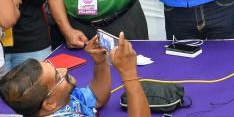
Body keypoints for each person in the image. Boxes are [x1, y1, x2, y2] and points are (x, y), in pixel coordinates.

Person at [0, 33, 151, 117]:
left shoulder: (58, 100)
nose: (64, 69)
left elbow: (96, 98)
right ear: (49, 104)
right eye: (57, 77)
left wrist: (100, 62)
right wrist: (129, 74)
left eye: (54, 67)